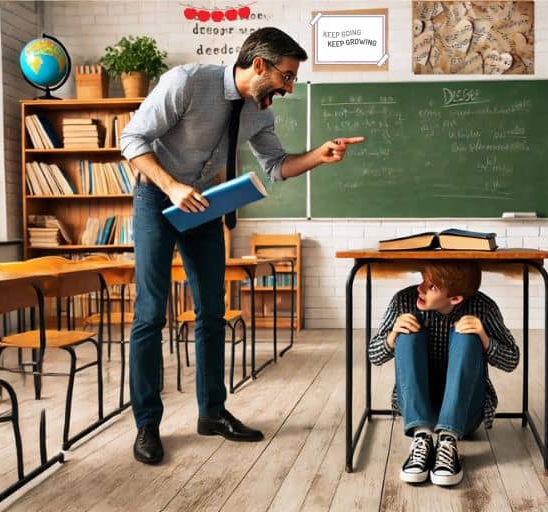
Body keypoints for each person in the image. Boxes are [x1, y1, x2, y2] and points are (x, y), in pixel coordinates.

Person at [120, 27, 364, 465]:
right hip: (158, 194)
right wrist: (173, 187)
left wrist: (319, 155)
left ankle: (211, 412)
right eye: (286, 77)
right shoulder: (187, 83)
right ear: (259, 66)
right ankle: (147, 425)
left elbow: (277, 166)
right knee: (150, 313)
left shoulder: (258, 113)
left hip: (205, 204)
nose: (289, 88)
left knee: (212, 310)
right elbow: (132, 140)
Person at [369, 261, 518, 486]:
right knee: (407, 331)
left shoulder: (483, 307)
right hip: (417, 407)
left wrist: (485, 339)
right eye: (423, 279)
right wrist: (392, 336)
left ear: (455, 298)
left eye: (432, 287)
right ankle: (422, 436)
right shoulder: (404, 301)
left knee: (468, 334)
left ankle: (448, 440)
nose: (420, 288)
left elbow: (512, 360)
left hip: (465, 412)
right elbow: (373, 355)